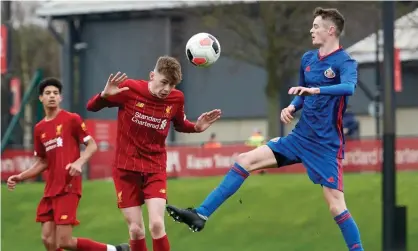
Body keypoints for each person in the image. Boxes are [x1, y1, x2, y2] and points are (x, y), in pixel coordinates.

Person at [166, 7, 364, 251]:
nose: (311, 30)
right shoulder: (308, 59)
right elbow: (301, 92)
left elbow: (348, 88)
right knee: (244, 160)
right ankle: (201, 214)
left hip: (325, 145)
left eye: (316, 26)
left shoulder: (346, 62)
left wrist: (316, 91)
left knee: (336, 206)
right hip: (299, 137)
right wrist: (291, 107)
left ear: (330, 30)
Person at [86, 56, 221, 251]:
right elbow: (91, 107)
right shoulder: (129, 89)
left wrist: (197, 127)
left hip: (154, 167)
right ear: (152, 76)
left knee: (157, 224)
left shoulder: (176, 99)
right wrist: (104, 96)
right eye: (164, 82)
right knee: (136, 230)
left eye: (172, 84)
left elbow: (180, 124)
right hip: (125, 168)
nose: (167, 89)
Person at [6, 78, 129, 251]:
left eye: (55, 93)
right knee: (47, 239)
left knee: (64, 241)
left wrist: (79, 162)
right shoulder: (39, 129)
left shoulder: (71, 119)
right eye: (48, 93)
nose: (52, 96)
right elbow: (42, 161)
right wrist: (21, 176)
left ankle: (114, 250)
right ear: (41, 98)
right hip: (50, 190)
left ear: (60, 98)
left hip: (68, 187)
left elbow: (92, 145)